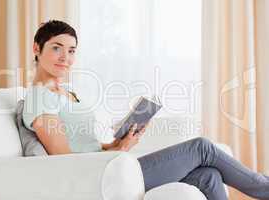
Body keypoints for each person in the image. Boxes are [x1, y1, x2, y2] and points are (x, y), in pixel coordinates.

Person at [22, 20, 269, 200]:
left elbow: (87, 147)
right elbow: (64, 161)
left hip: (111, 163)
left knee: (209, 175)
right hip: (101, 175)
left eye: (72, 50)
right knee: (201, 147)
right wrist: (118, 152)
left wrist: (118, 143)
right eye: (57, 47)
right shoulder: (38, 98)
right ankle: (264, 187)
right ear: (37, 48)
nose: (65, 57)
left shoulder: (69, 93)